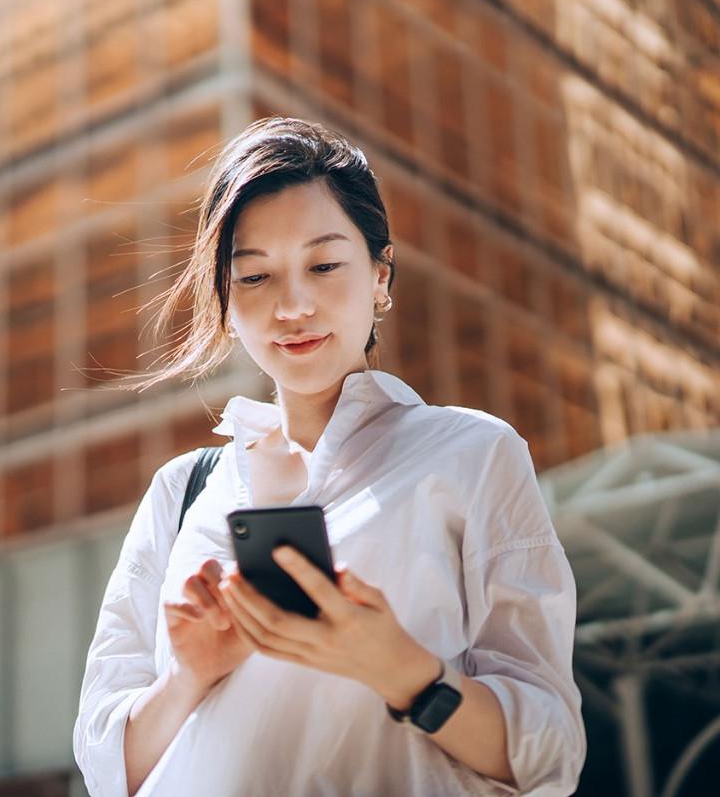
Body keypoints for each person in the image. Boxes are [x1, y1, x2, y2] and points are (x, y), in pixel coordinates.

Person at [72, 117, 586, 796]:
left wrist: (401, 670)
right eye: (253, 276)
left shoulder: (471, 453)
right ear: (225, 302)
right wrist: (188, 674)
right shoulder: (184, 490)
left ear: (379, 275)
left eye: (322, 265)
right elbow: (109, 767)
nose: (292, 305)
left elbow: (548, 750)